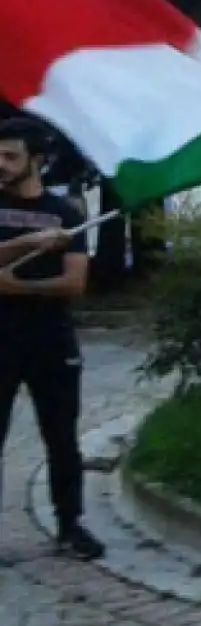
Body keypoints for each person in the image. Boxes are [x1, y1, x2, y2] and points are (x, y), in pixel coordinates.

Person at [0, 117, 103, 561]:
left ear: (37, 160)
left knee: (61, 437)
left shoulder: (66, 215)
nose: (0, 165)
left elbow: (74, 283)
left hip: (51, 342)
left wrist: (14, 287)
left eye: (10, 156)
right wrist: (29, 242)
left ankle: (70, 525)